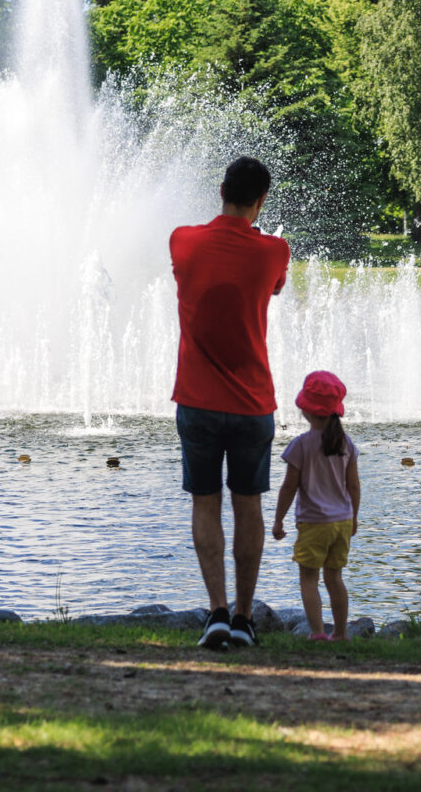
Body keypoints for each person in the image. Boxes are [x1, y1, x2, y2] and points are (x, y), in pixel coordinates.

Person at [170, 156, 292, 650]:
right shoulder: (274, 251)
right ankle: (244, 617)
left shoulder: (183, 240)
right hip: (253, 404)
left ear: (221, 190)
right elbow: (277, 286)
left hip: (197, 400)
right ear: (261, 200)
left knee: (205, 502)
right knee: (248, 506)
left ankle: (216, 612)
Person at [272, 371, 361, 641]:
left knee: (309, 579)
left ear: (306, 411)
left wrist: (278, 519)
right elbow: (354, 486)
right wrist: (354, 517)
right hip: (342, 522)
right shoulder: (346, 444)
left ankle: (318, 632)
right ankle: (341, 633)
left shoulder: (301, 445)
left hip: (313, 523)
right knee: (335, 578)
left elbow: (289, 487)